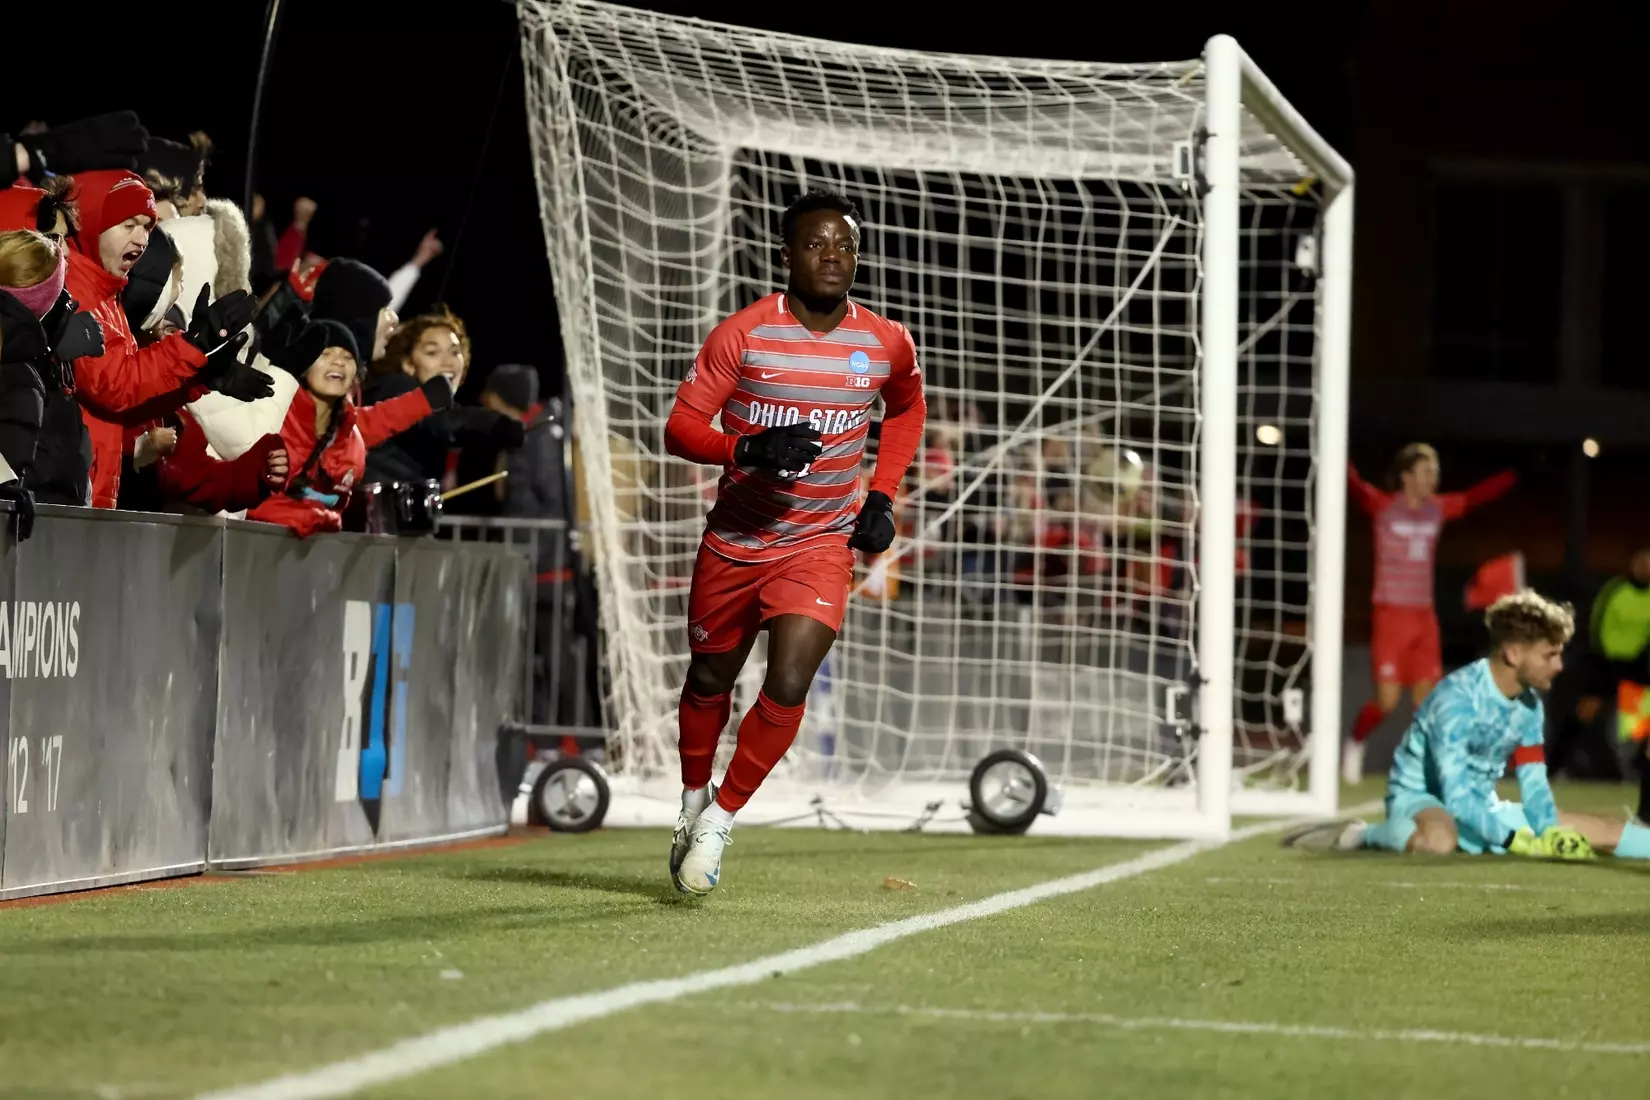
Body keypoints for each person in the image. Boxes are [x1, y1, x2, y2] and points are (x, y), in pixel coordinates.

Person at [661, 189, 926, 896]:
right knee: (710, 679)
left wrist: (881, 494)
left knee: (788, 679)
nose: (831, 255)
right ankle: (691, 800)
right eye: (815, 244)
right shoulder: (743, 334)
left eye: (843, 245)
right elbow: (681, 429)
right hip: (736, 538)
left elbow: (906, 409)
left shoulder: (885, 341)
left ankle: (720, 818)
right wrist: (746, 447)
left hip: (819, 542)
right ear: (787, 255)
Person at [1290, 589, 1650, 861]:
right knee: (1439, 841)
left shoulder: (1528, 705)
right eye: (1549, 654)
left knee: (1604, 831)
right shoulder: (1456, 701)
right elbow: (1455, 791)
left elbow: (1533, 779)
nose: (1559, 666)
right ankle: (1366, 834)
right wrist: (1513, 839)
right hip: (1423, 799)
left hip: (1481, 805)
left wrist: (1549, 830)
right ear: (1513, 653)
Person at [64, 170, 271, 507]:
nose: (141, 239)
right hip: (66, 497)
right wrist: (193, 347)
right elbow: (115, 385)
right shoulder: (75, 289)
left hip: (90, 491)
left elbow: (129, 403)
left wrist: (199, 377)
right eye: (128, 225)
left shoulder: (106, 296)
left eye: (147, 226)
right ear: (92, 222)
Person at [1341, 443, 1518, 783]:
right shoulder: (1383, 506)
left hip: (1424, 618)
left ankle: (1423, 770)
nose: (1432, 479)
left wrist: (1512, 475)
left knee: (1427, 705)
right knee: (1387, 700)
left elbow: (1473, 497)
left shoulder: (1438, 509)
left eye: (1435, 473)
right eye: (1425, 472)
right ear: (1406, 476)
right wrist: (1338, 453)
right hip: (1391, 616)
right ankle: (1355, 744)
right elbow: (1355, 486)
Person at [245, 317, 453, 538]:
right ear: (305, 366)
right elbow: (246, 498)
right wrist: (304, 517)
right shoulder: (273, 417)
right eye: (326, 354)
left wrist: (425, 400)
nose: (338, 362)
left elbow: (380, 419)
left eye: (347, 357)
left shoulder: (351, 437)